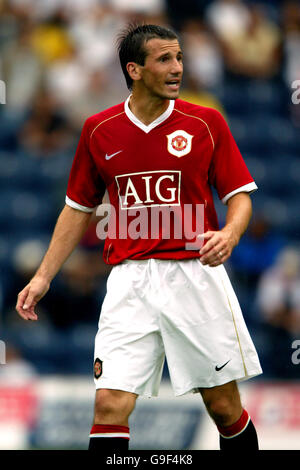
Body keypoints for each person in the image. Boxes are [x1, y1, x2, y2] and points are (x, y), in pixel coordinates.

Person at [16, 24, 262, 451]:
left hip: (194, 276)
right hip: (129, 280)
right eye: (164, 59)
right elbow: (77, 209)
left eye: (180, 58)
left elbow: (239, 197)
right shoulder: (99, 129)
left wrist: (230, 233)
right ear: (134, 69)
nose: (177, 68)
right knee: (109, 405)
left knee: (223, 406)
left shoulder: (205, 122)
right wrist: (43, 277)